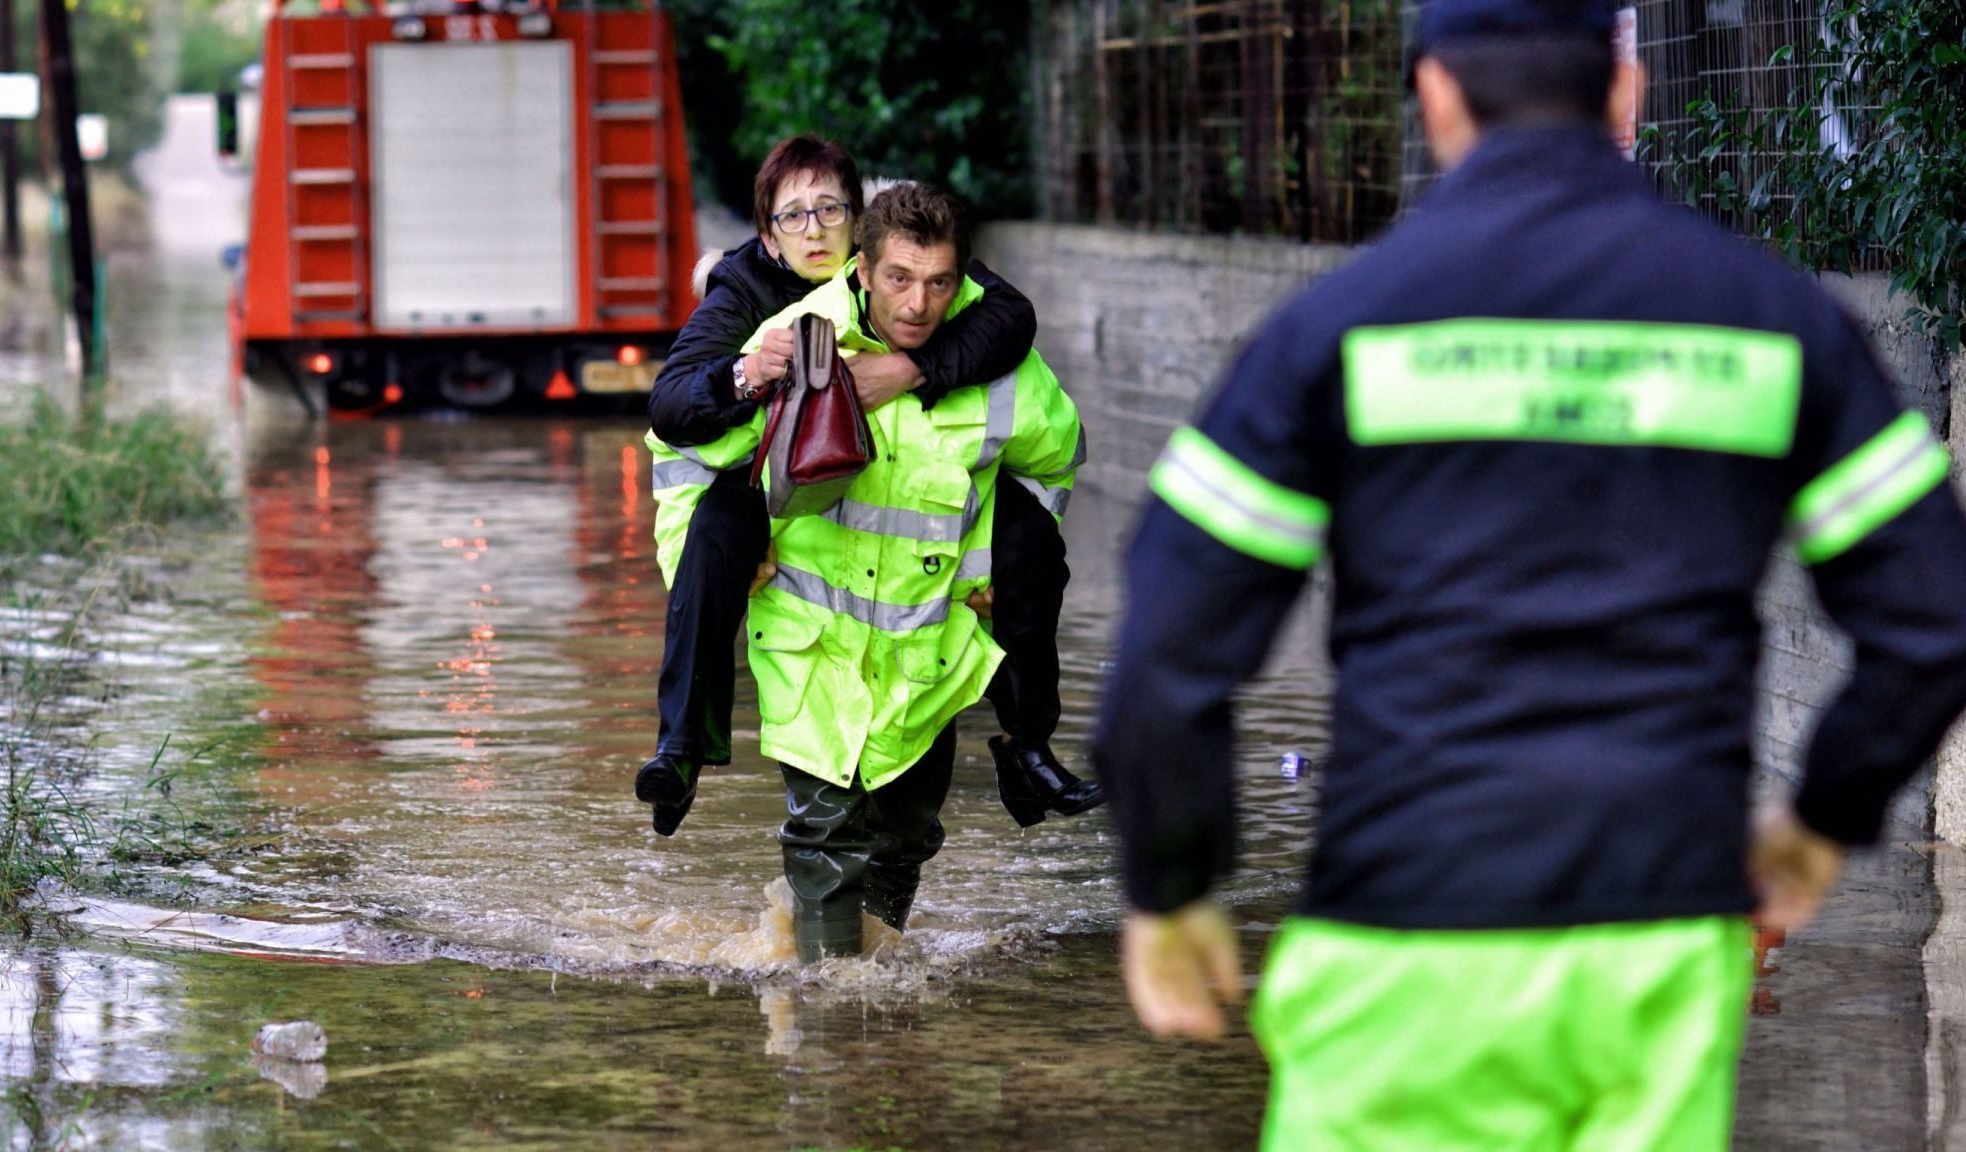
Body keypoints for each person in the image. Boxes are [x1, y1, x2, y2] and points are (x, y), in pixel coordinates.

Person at [1093, 2, 1966, 1148]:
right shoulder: (1775, 324)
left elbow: (1163, 655)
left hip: (1404, 935)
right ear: (1623, 95)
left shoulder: (1334, 332)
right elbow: (1932, 622)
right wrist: (1816, 824)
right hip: (1658, 942)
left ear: (1436, 97)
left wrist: (1170, 888)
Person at [639, 135, 1099, 836]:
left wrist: (912, 369)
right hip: (764, 482)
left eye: (830, 208)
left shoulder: (909, 270)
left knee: (1033, 548)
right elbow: (672, 418)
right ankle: (681, 748)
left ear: (861, 224)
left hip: (906, 542)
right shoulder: (747, 295)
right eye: (795, 216)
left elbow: (1009, 315)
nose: (815, 228)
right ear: (768, 237)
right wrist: (750, 371)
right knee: (714, 533)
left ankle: (1028, 744)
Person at [737, 182, 1084, 959]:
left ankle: (860, 997)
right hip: (811, 644)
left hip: (931, 648)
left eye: (938, 282)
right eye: (898, 278)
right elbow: (690, 463)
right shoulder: (792, 342)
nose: (918, 303)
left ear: (963, 280)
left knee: (904, 838)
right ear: (861, 271)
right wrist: (731, 550)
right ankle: (829, 1018)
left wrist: (1010, 565)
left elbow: (1053, 469)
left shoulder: (1005, 369)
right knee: (825, 835)